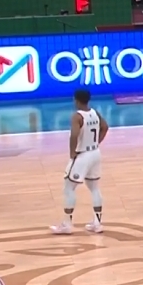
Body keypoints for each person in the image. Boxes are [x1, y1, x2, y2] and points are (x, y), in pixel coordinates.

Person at [50, 89, 109, 235]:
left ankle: (67, 225)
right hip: (95, 153)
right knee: (94, 188)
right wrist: (97, 142)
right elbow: (105, 127)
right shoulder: (95, 113)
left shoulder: (77, 116)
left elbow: (74, 135)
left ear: (76, 100)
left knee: (68, 188)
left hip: (82, 155)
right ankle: (97, 224)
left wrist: (72, 152)